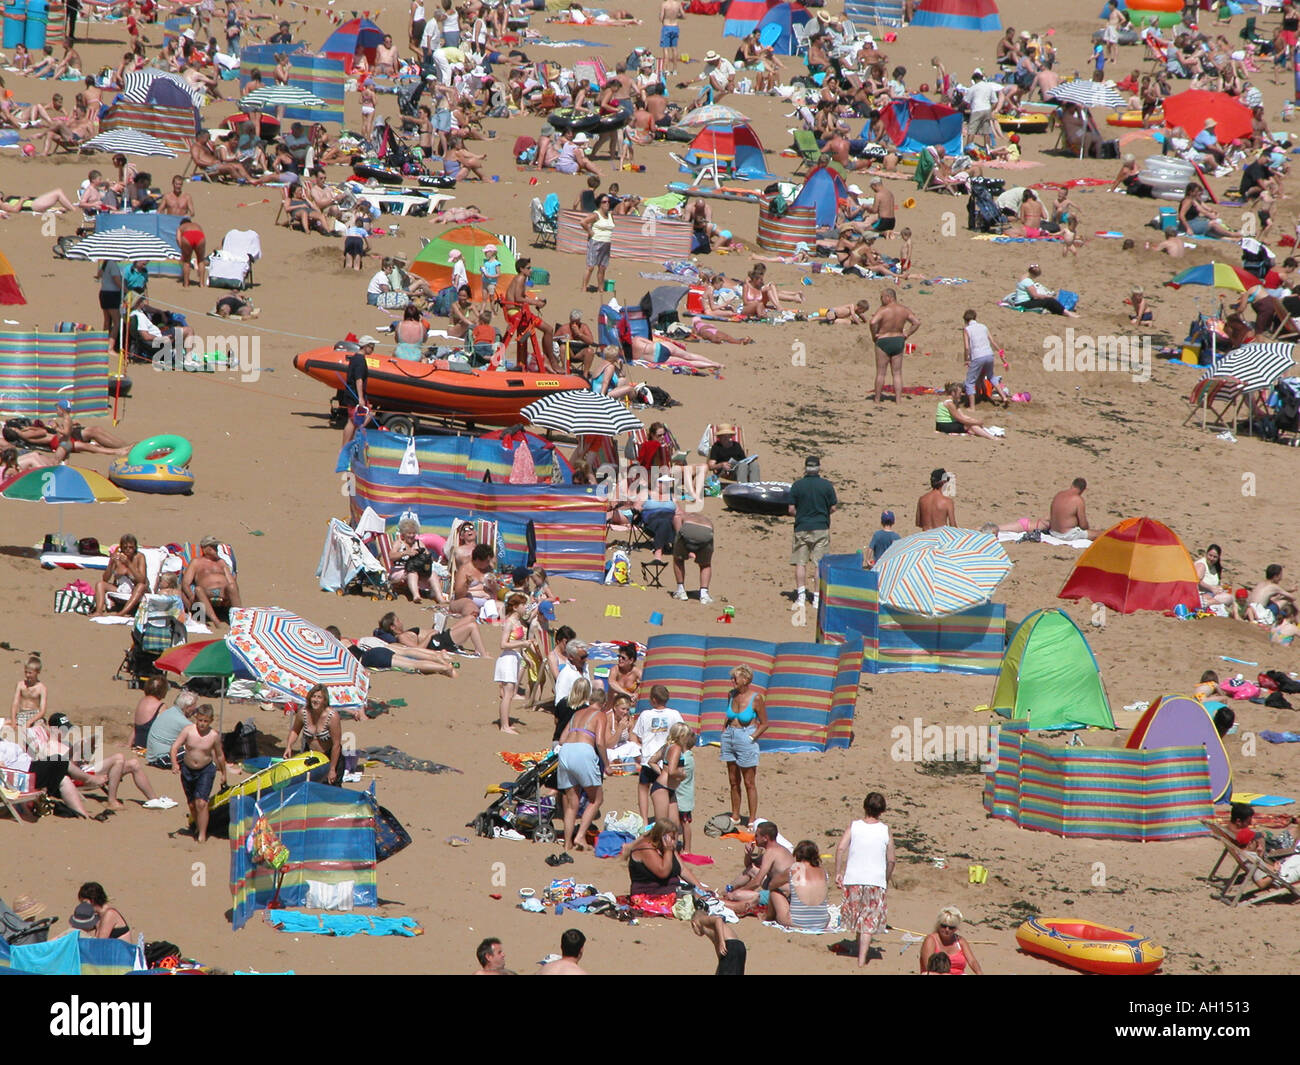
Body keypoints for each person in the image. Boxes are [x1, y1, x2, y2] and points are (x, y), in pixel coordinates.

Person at [834, 791, 895, 967]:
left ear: (865, 807)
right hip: (875, 880)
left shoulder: (854, 826)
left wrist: (839, 872)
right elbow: (891, 860)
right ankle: (862, 959)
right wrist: (886, 879)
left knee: (858, 915)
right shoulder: (884, 830)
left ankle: (857, 951)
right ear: (881, 810)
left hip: (853, 878)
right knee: (868, 919)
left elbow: (840, 849)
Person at [555, 677, 608, 850]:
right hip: (583, 751)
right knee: (596, 799)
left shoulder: (576, 714)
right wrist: (606, 764)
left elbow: (562, 739)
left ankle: (567, 842)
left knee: (571, 802)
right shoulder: (600, 715)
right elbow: (600, 742)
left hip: (566, 751)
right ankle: (579, 836)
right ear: (603, 704)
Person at [170, 702, 227, 843]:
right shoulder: (188, 731)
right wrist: (174, 763)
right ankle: (196, 826)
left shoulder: (213, 736)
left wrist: (224, 773)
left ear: (211, 720)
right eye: (200, 720)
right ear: (196, 718)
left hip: (206, 770)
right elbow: (174, 747)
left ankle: (202, 834)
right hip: (188, 770)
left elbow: (220, 755)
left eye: (206, 721)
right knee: (192, 805)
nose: (202, 724)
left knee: (201, 802)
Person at [788, 455, 838, 610]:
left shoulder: (797, 486)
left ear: (805, 468)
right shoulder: (826, 486)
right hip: (821, 527)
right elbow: (833, 507)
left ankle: (801, 596)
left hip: (802, 527)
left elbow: (790, 510)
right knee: (819, 564)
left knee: (800, 563)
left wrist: (802, 514)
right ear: (818, 468)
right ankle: (817, 598)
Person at [721, 664, 767, 828]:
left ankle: (752, 818)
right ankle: (735, 815)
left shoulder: (756, 698)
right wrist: (724, 730)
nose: (732, 681)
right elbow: (727, 717)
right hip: (730, 737)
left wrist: (751, 737)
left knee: (749, 782)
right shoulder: (731, 695)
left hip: (746, 737)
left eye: (735, 678)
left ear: (746, 679)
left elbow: (765, 723)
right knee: (733, 780)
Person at [633, 683, 683, 821]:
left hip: (650, 757)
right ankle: (666, 818)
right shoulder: (674, 714)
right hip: (667, 759)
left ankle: (644, 819)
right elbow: (682, 732)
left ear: (653, 699)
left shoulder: (645, 715)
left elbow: (638, 735)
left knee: (644, 788)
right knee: (667, 790)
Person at [723, 820, 791, 916]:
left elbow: (757, 882)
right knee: (751, 869)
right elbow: (749, 866)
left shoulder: (771, 853)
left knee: (738, 895)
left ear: (765, 838)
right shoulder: (779, 849)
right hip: (777, 886)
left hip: (783, 895)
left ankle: (731, 896)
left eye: (756, 836)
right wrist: (748, 855)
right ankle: (728, 889)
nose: (754, 838)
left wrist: (740, 891)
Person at [284, 684, 343, 785]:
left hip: (330, 756)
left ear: (325, 700)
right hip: (310, 755)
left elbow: (336, 745)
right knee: (308, 786)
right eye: (313, 696)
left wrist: (332, 768)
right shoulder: (303, 713)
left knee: (331, 788)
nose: (315, 700)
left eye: (319, 697)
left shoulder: (332, 716)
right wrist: (289, 746)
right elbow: (295, 730)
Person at [624, 818, 701, 897]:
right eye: (672, 837)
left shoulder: (669, 846)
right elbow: (663, 872)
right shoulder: (645, 849)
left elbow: (682, 870)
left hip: (671, 889)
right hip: (649, 894)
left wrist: (700, 888)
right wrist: (667, 851)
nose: (674, 841)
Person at [870, 289, 921, 404]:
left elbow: (872, 322)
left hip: (883, 339)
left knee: (881, 372)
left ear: (889, 297)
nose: (881, 300)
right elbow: (916, 322)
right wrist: (907, 333)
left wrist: (874, 335)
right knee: (897, 373)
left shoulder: (883, 310)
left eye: (882, 297)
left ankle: (877, 399)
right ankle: (898, 400)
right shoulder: (904, 310)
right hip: (898, 340)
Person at [180, 535, 242, 622]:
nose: (216, 549)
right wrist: (191, 596)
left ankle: (239, 617)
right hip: (205, 592)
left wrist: (233, 587)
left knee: (232, 586)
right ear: (204, 548)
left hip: (223, 592)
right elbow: (185, 583)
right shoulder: (196, 562)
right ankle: (215, 619)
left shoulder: (221, 562)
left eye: (216, 546)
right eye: (213, 547)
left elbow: (231, 581)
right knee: (198, 589)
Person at [495, 593, 531, 735]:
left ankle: (506, 723)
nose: (525, 608)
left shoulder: (518, 622)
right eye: (523, 605)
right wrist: (523, 643)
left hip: (514, 658)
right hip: (507, 659)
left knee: (509, 693)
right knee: (507, 694)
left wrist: (525, 656)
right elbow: (503, 644)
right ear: (516, 607)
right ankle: (504, 726)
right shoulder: (509, 622)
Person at [91, 533, 149, 617]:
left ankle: (122, 613)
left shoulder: (139, 557)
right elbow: (105, 579)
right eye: (125, 548)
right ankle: (99, 611)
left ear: (135, 547)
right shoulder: (117, 558)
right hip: (121, 588)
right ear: (121, 548)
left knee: (141, 586)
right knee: (100, 584)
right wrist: (111, 563)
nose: (128, 550)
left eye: (131, 547)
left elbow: (142, 580)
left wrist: (129, 565)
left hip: (136, 589)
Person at [780, 840, 831, 930]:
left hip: (797, 922)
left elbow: (773, 884)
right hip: (822, 922)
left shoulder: (794, 870)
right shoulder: (823, 872)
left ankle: (767, 916)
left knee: (775, 893)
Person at [920, 906, 984, 974]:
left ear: (956, 928)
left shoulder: (960, 941)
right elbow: (928, 966)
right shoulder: (931, 940)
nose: (947, 929)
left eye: (951, 927)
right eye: (944, 926)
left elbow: (972, 961)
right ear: (938, 925)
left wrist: (979, 972)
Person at [671, 505, 714, 605]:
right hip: (707, 530)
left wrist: (684, 550)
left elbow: (679, 533)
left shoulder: (680, 516)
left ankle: (681, 591)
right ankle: (704, 594)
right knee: (705, 564)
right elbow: (710, 537)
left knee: (678, 559)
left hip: (689, 528)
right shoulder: (705, 518)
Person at [145, 689, 199, 768]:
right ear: (187, 708)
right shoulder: (181, 720)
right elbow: (201, 735)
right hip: (162, 758)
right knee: (196, 747)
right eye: (194, 706)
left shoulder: (170, 711)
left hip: (153, 757)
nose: (195, 709)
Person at [961, 309, 999, 409]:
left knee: (969, 382)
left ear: (965, 320)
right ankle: (1003, 396)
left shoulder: (967, 329)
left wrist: (966, 359)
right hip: (989, 354)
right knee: (990, 377)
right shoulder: (983, 327)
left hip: (977, 356)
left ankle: (972, 406)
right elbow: (992, 341)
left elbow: (966, 347)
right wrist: (1000, 352)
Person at [692, 905, 746, 975]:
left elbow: (718, 919)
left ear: (693, 924)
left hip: (730, 945)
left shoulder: (701, 920)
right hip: (738, 947)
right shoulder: (710, 929)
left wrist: (721, 941)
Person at [1011, 263, 1078, 317]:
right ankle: (1068, 313)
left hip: (1020, 302)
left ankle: (1063, 311)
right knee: (1050, 301)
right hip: (1023, 304)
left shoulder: (1022, 277)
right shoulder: (1028, 281)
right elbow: (1035, 296)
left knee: (1047, 301)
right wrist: (1048, 297)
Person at [580, 195, 615, 293]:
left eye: (608, 201)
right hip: (596, 242)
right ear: (600, 204)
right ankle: (584, 287)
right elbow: (583, 222)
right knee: (590, 266)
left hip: (606, 243)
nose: (607, 203)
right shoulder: (596, 215)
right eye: (604, 202)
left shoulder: (610, 215)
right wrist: (590, 232)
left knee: (602, 267)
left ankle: (600, 288)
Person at [341, 338, 372, 448]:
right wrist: (360, 398)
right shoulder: (359, 360)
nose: (373, 349)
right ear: (365, 346)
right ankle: (348, 445)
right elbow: (359, 379)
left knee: (356, 419)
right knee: (356, 420)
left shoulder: (356, 358)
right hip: (355, 394)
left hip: (354, 393)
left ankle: (351, 443)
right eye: (371, 346)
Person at [1195, 543, 1238, 617]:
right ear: (1206, 554)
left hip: (1210, 595)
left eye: (1215, 557)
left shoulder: (1215, 567)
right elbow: (1196, 581)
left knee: (1230, 598)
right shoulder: (1201, 565)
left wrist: (1220, 587)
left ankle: (1209, 603)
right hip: (1199, 594)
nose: (1212, 558)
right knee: (1228, 599)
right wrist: (1211, 588)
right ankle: (1204, 604)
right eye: (1210, 555)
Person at [1048, 477, 1095, 541]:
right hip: (1067, 535)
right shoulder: (1078, 500)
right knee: (1099, 534)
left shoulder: (1059, 494)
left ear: (1072, 485)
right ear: (1083, 490)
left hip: (1053, 532)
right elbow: (1083, 525)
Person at [130, 675, 169, 750]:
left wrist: (129, 744)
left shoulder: (142, 701)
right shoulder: (161, 706)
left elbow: (136, 729)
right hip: (149, 747)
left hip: (138, 743)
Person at [11, 656, 47, 733]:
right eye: (26, 672)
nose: (27, 675)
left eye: (30, 673)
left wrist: (30, 721)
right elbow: (15, 704)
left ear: (37, 672)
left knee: (39, 727)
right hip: (21, 714)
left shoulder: (41, 688)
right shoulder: (20, 685)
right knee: (5, 725)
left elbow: (42, 710)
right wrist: (13, 720)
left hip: (35, 715)